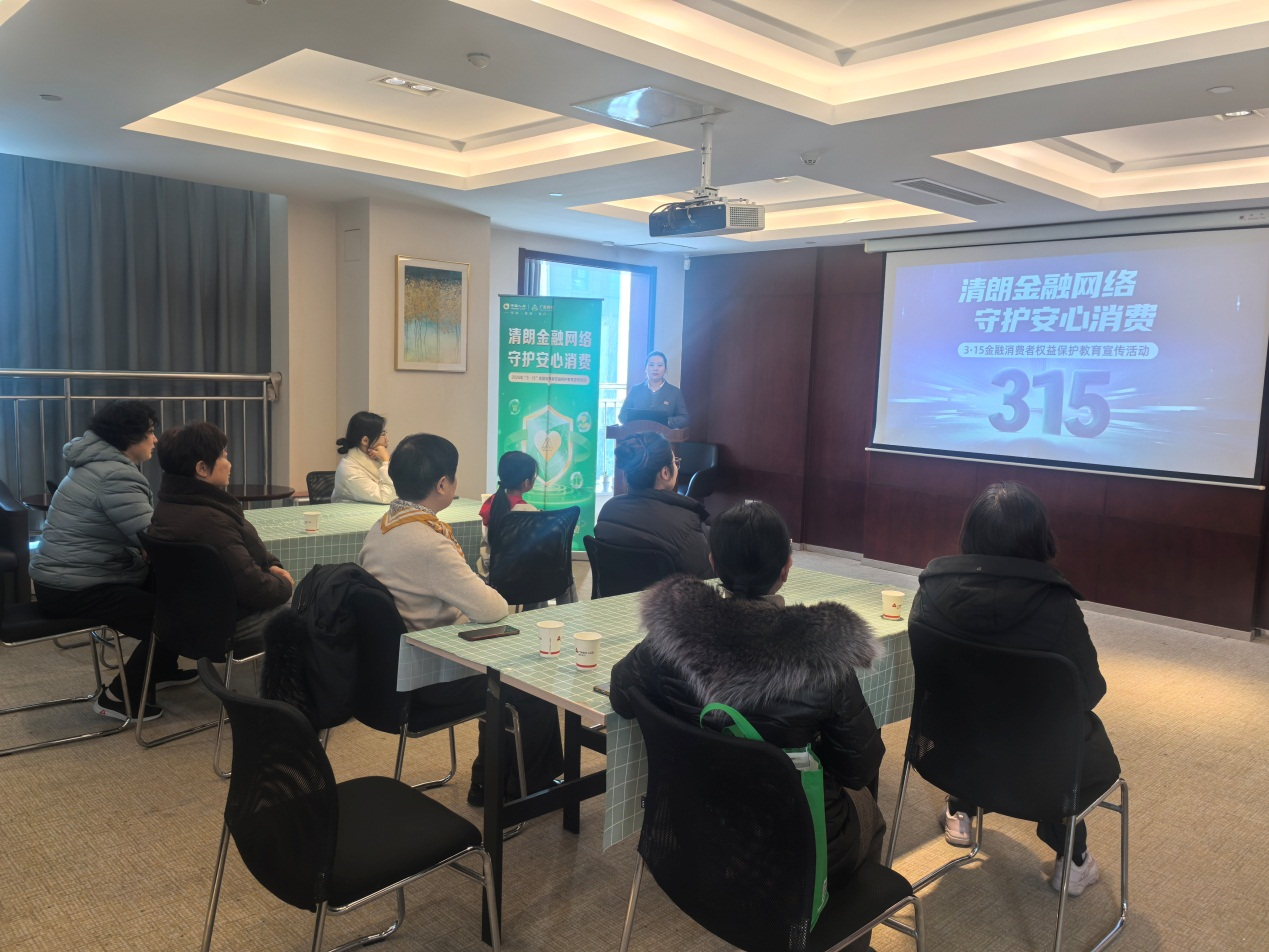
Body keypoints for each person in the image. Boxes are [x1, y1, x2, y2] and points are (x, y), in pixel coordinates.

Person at [610, 501, 887, 910]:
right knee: (869, 812)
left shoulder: (669, 634)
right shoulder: (824, 656)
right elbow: (859, 769)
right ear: (786, 567)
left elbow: (621, 695)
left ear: (713, 563)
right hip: (795, 851)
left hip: (695, 828)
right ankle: (836, 920)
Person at [909, 481, 1120, 897]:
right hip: (1037, 768)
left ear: (969, 533)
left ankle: (961, 807)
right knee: (1058, 735)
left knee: (976, 710)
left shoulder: (931, 589)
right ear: (1039, 537)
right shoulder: (1057, 605)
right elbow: (1088, 692)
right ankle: (1073, 861)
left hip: (950, 753)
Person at [357, 433, 563, 804]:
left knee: (501, 664)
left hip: (391, 673)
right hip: (432, 676)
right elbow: (493, 609)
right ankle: (526, 790)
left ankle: (488, 781)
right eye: (453, 476)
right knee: (529, 679)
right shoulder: (428, 542)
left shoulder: (382, 527)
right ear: (442, 484)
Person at [29, 400, 193, 721]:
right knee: (176, 614)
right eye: (149, 432)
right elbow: (153, 538)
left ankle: (160, 668)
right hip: (75, 589)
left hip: (63, 579)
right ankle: (118, 697)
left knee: (169, 591)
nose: (155, 439)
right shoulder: (116, 475)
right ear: (128, 436)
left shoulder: (93, 464)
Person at [146, 422, 294, 644]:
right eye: (224, 456)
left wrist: (271, 565)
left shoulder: (167, 507)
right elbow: (254, 588)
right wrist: (285, 584)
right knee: (307, 608)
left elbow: (246, 554)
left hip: (178, 621)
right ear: (202, 469)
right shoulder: (212, 520)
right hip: (222, 626)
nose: (229, 464)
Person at [595, 431, 711, 578]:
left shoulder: (608, 510)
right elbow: (705, 576)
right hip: (665, 594)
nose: (676, 467)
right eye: (675, 462)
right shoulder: (687, 523)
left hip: (617, 593)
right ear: (665, 472)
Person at [332, 411, 395, 503]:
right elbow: (386, 498)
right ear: (365, 440)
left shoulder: (376, 458)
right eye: (382, 434)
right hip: (353, 511)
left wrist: (385, 461)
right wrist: (386, 461)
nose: (387, 439)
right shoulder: (349, 469)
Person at [618, 351, 689, 429]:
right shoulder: (635, 390)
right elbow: (622, 416)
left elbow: (684, 418)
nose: (655, 369)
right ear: (646, 369)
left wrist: (665, 421)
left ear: (665, 369)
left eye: (659, 365)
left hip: (665, 435)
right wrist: (639, 421)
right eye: (651, 365)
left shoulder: (674, 392)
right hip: (639, 435)